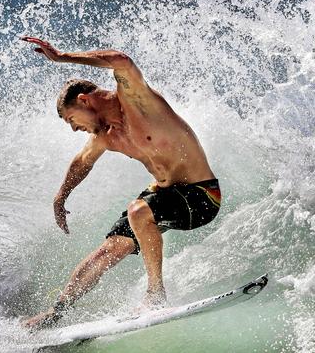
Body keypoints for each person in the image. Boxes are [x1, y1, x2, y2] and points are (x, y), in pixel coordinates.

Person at [20, 36, 222, 330]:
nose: (75, 128)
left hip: (203, 195)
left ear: (84, 100)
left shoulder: (136, 101)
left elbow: (121, 60)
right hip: (164, 194)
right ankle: (56, 313)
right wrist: (60, 197)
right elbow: (82, 162)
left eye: (71, 120)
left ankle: (155, 295)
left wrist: (63, 56)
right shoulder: (106, 135)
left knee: (139, 211)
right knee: (108, 250)